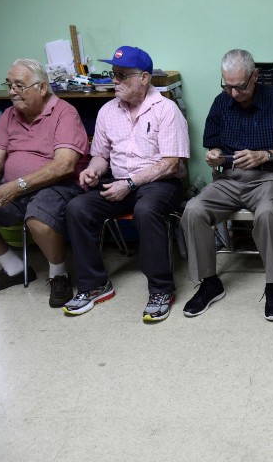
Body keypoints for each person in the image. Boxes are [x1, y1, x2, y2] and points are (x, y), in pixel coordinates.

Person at [63, 46, 190, 321]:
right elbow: (100, 155)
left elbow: (170, 164)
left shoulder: (166, 110)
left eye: (122, 75)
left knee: (146, 211)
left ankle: (161, 290)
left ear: (144, 78)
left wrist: (131, 183)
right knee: (77, 208)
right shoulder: (108, 111)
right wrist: (94, 171)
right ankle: (95, 285)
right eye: (113, 74)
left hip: (160, 183)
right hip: (120, 181)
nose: (114, 81)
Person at [0, 58, 89, 307]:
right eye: (9, 84)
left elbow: (64, 165)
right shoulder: (9, 116)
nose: (12, 91)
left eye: (19, 85)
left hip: (57, 185)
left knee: (39, 220)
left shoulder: (64, 113)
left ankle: (59, 275)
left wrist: (17, 186)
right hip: (12, 186)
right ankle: (15, 268)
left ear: (42, 88)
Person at [180, 49, 273, 322]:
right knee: (193, 210)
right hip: (229, 179)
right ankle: (210, 283)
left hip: (267, 179)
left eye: (240, 86)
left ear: (255, 76)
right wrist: (213, 154)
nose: (233, 93)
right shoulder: (221, 102)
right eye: (227, 86)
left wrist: (265, 155)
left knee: (268, 215)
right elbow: (214, 145)